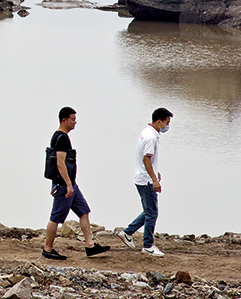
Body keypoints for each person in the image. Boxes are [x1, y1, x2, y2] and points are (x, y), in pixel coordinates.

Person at [42, 106, 110, 260]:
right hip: (65, 186)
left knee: (84, 211)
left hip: (70, 184)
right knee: (56, 217)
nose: (75, 122)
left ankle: (90, 246)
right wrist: (66, 184)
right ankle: (47, 249)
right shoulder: (61, 138)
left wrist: (61, 183)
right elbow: (59, 163)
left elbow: (53, 162)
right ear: (64, 120)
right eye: (72, 119)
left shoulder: (58, 136)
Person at [116, 108, 174, 257]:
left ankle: (127, 232)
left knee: (149, 211)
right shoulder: (151, 137)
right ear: (159, 121)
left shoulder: (147, 132)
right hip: (146, 181)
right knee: (152, 213)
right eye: (167, 122)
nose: (167, 126)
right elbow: (146, 159)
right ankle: (147, 245)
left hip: (142, 177)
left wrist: (155, 171)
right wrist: (154, 179)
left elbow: (147, 159)